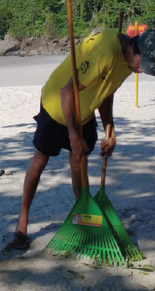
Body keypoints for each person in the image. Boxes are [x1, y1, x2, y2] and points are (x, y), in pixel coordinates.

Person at [12, 29, 155, 250]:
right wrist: (74, 136)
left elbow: (106, 93)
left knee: (79, 164)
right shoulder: (106, 53)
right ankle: (22, 223)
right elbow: (67, 92)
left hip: (84, 109)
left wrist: (110, 128)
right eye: (141, 65)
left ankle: (84, 214)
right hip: (57, 105)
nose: (140, 70)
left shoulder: (128, 62)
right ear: (134, 48)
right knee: (40, 162)